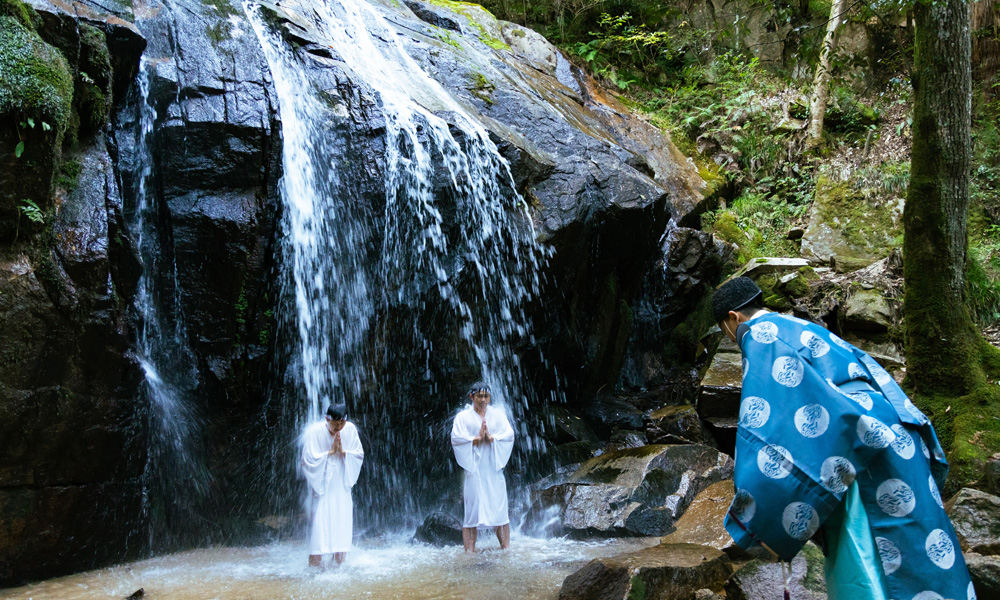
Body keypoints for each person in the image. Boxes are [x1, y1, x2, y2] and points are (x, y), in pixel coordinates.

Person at [715, 276, 974, 600]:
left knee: (868, 558)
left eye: (726, 331)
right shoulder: (794, 325)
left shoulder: (759, 334)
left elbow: (766, 424)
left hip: (860, 443)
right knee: (918, 545)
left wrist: (751, 502)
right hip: (893, 430)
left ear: (733, 318)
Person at [450, 381, 515, 553]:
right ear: (472, 397)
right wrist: (477, 439)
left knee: (500, 510)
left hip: (493, 470)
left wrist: (491, 437)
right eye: (479, 396)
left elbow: (509, 436)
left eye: (486, 396)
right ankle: (469, 553)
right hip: (474, 471)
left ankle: (506, 548)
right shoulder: (462, 417)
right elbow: (456, 439)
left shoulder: (498, 415)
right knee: (471, 512)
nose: (483, 400)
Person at [300, 402, 364, 568]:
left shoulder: (349, 429)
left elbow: (358, 455)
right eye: (335, 424)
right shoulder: (316, 432)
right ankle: (313, 570)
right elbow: (307, 460)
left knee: (341, 528)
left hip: (342, 486)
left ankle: (338, 569)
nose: (338, 428)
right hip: (323, 488)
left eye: (341, 423)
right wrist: (330, 452)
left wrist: (343, 452)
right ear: (326, 419)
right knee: (319, 532)